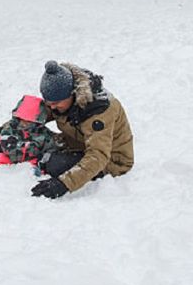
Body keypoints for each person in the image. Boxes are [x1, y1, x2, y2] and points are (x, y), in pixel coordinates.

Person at [30, 61, 134, 199]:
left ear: (72, 94)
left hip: (111, 159)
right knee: (33, 138)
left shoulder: (98, 112)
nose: (52, 107)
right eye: (49, 102)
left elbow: (98, 155)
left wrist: (64, 183)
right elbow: (33, 116)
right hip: (79, 143)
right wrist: (3, 132)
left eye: (56, 103)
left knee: (54, 165)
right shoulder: (62, 99)